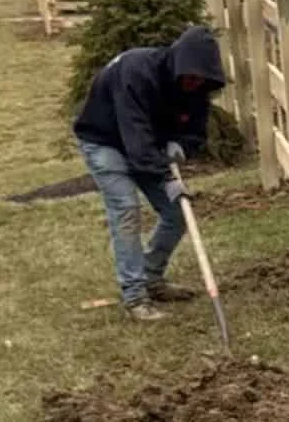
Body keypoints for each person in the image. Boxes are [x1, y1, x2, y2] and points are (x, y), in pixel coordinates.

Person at [73, 26, 227, 321]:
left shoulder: (197, 89)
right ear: (178, 64)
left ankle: (151, 277)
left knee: (178, 213)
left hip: (147, 147)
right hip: (104, 141)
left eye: (201, 80)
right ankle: (134, 295)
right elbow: (137, 141)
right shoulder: (136, 71)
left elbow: (195, 132)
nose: (194, 84)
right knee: (126, 209)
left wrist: (180, 146)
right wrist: (167, 177)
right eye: (191, 78)